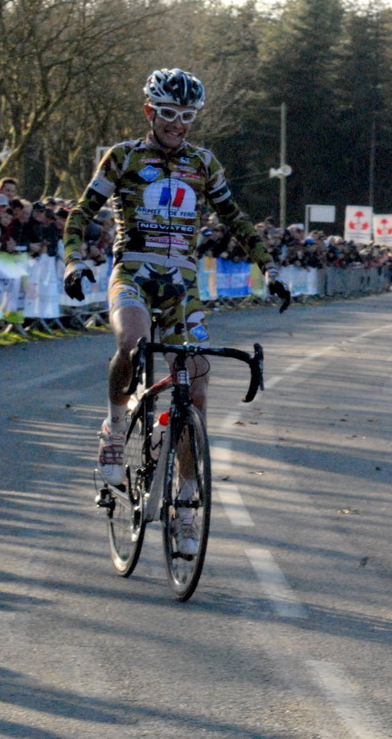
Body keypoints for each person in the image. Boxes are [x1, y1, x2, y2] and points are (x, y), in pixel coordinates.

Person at [61, 67, 291, 556]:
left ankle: (186, 503)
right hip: (135, 273)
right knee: (132, 342)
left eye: (187, 116)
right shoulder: (122, 157)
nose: (178, 124)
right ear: (150, 112)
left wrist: (268, 271)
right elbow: (81, 213)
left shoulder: (204, 163)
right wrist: (75, 260)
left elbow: (237, 219)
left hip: (182, 283)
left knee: (197, 385)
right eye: (168, 114)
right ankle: (115, 428)